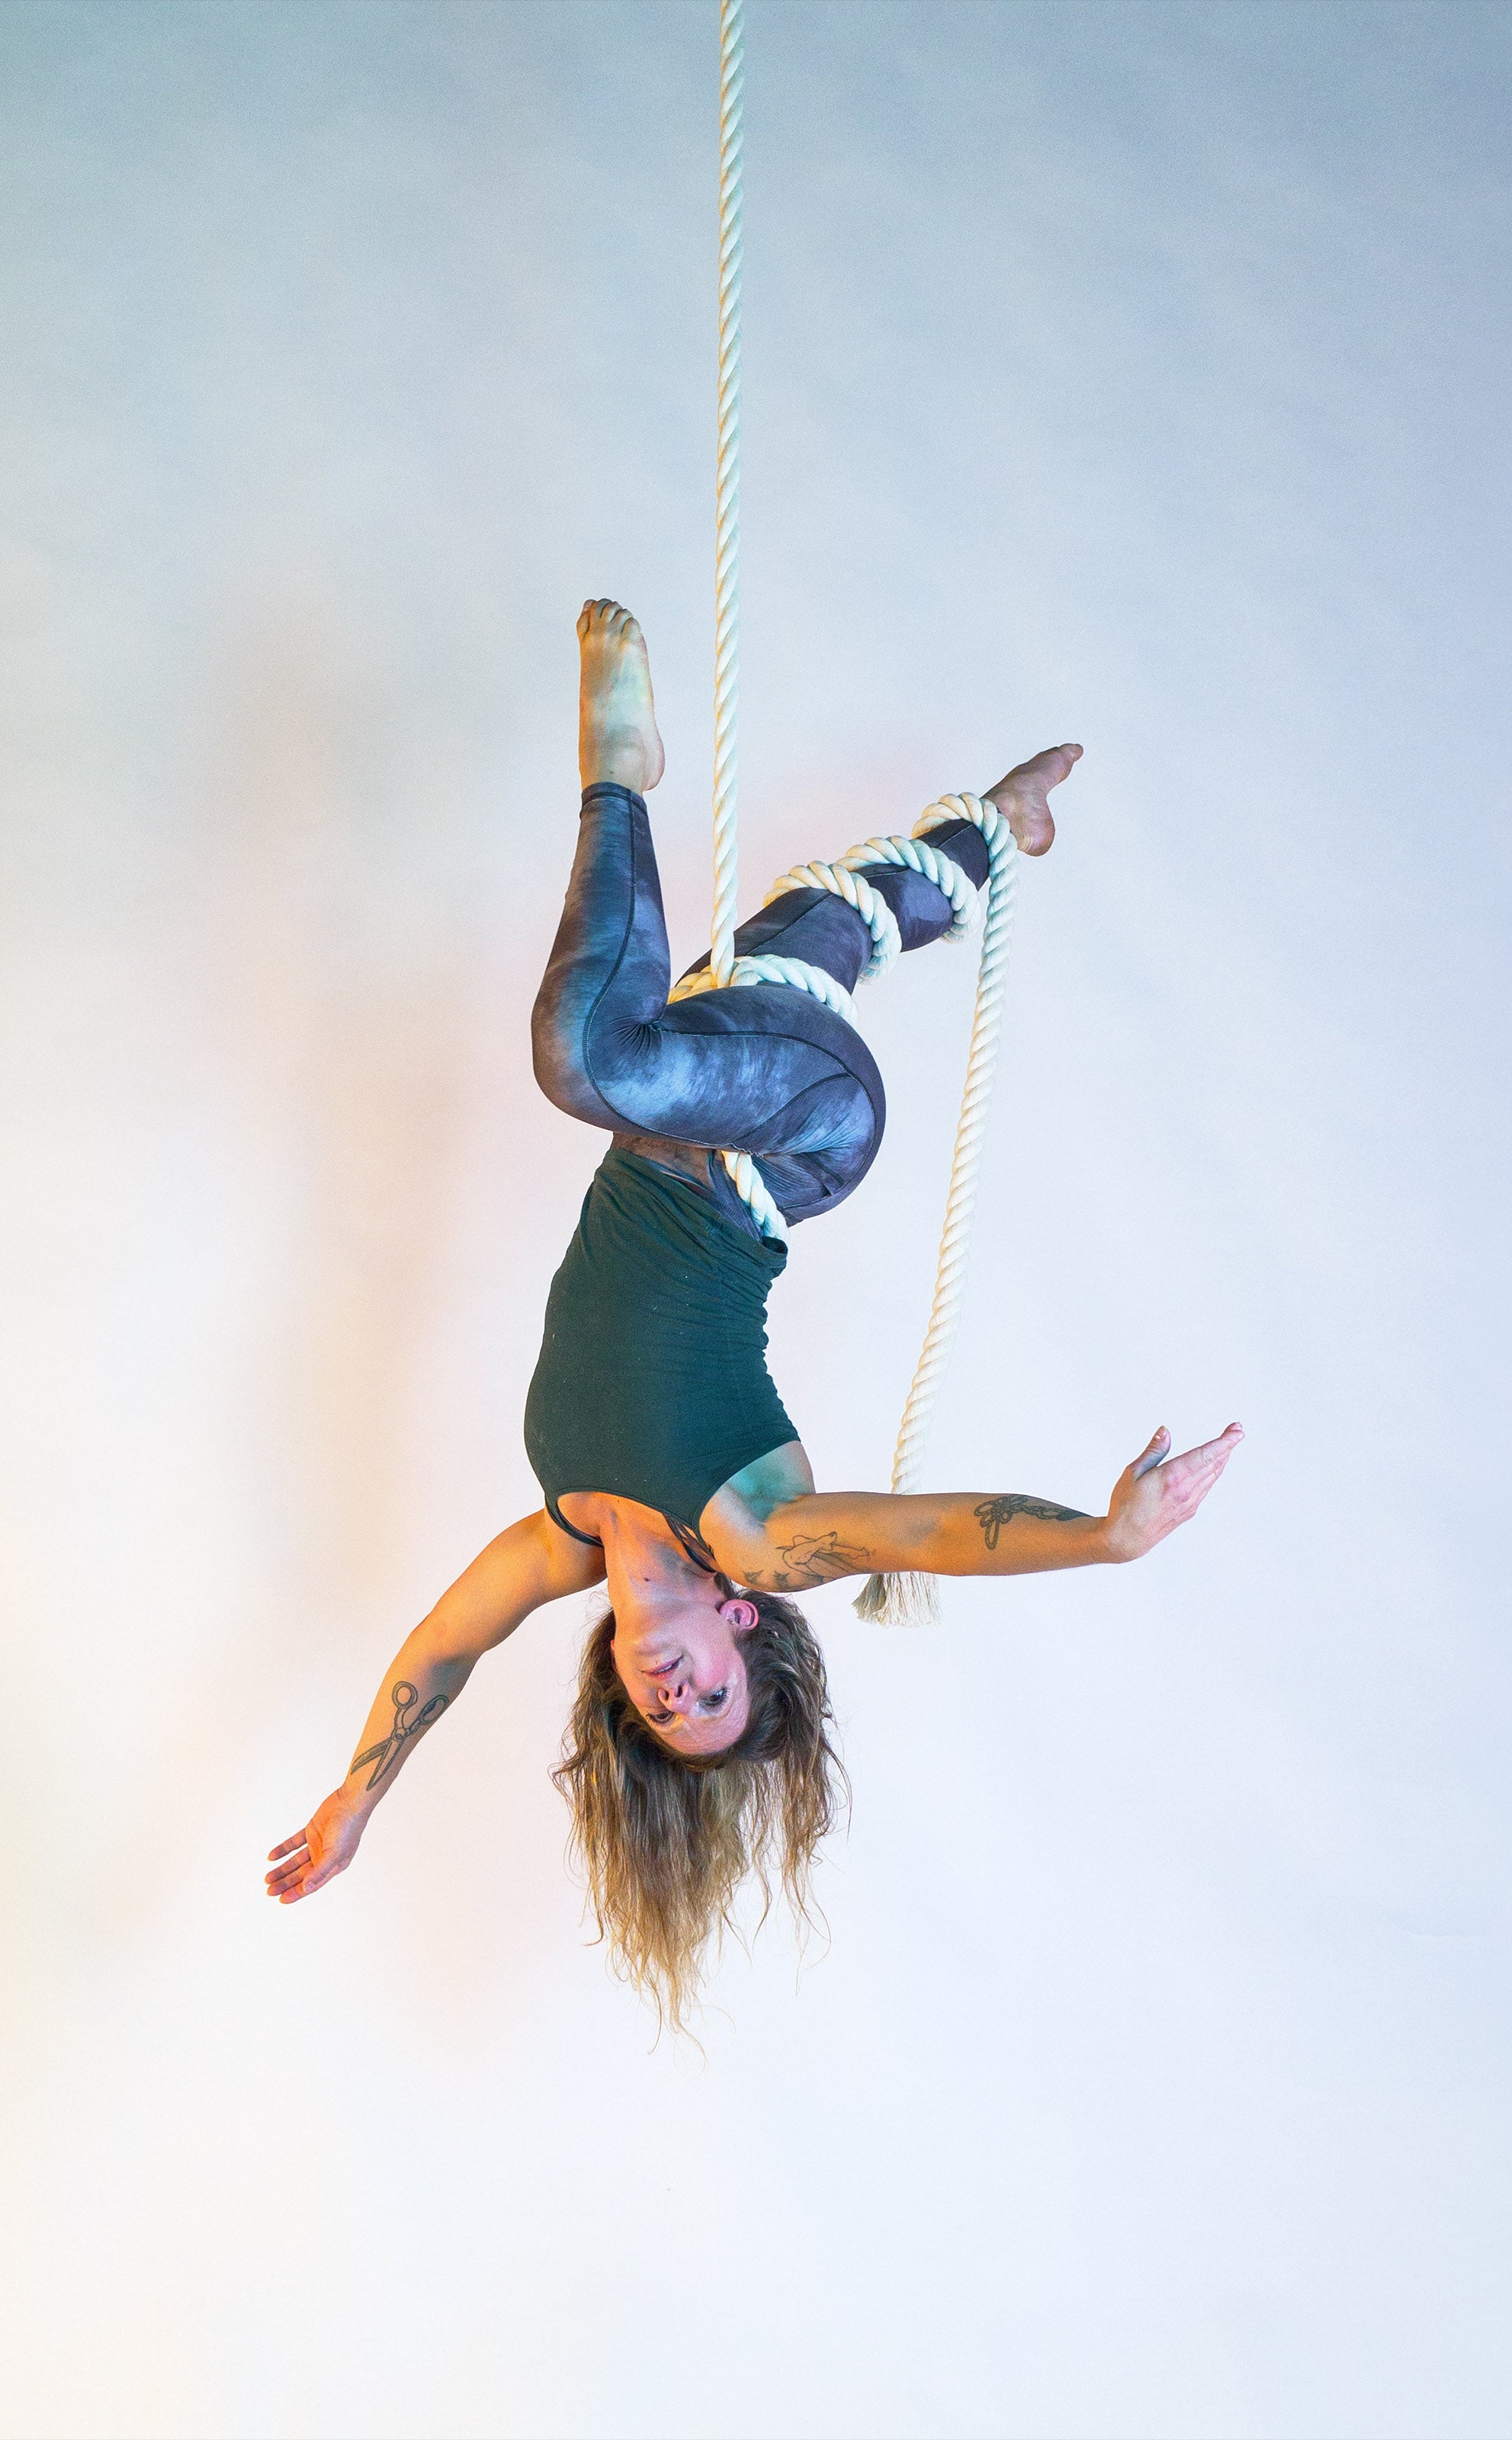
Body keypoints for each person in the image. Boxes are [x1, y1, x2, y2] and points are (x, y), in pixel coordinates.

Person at [268, 600, 1243, 2024]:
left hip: (714, 1082)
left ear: (620, 1685)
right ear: (744, 1632)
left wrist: (360, 1795)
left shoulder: (560, 1538)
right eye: (711, 1698)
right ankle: (621, 769)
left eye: (660, 1714)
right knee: (587, 1053)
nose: (675, 1694)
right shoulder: (755, 1536)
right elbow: (927, 1536)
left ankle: (995, 831)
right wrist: (1102, 1538)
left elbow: (439, 1652)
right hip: (787, 1140)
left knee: (814, 935)